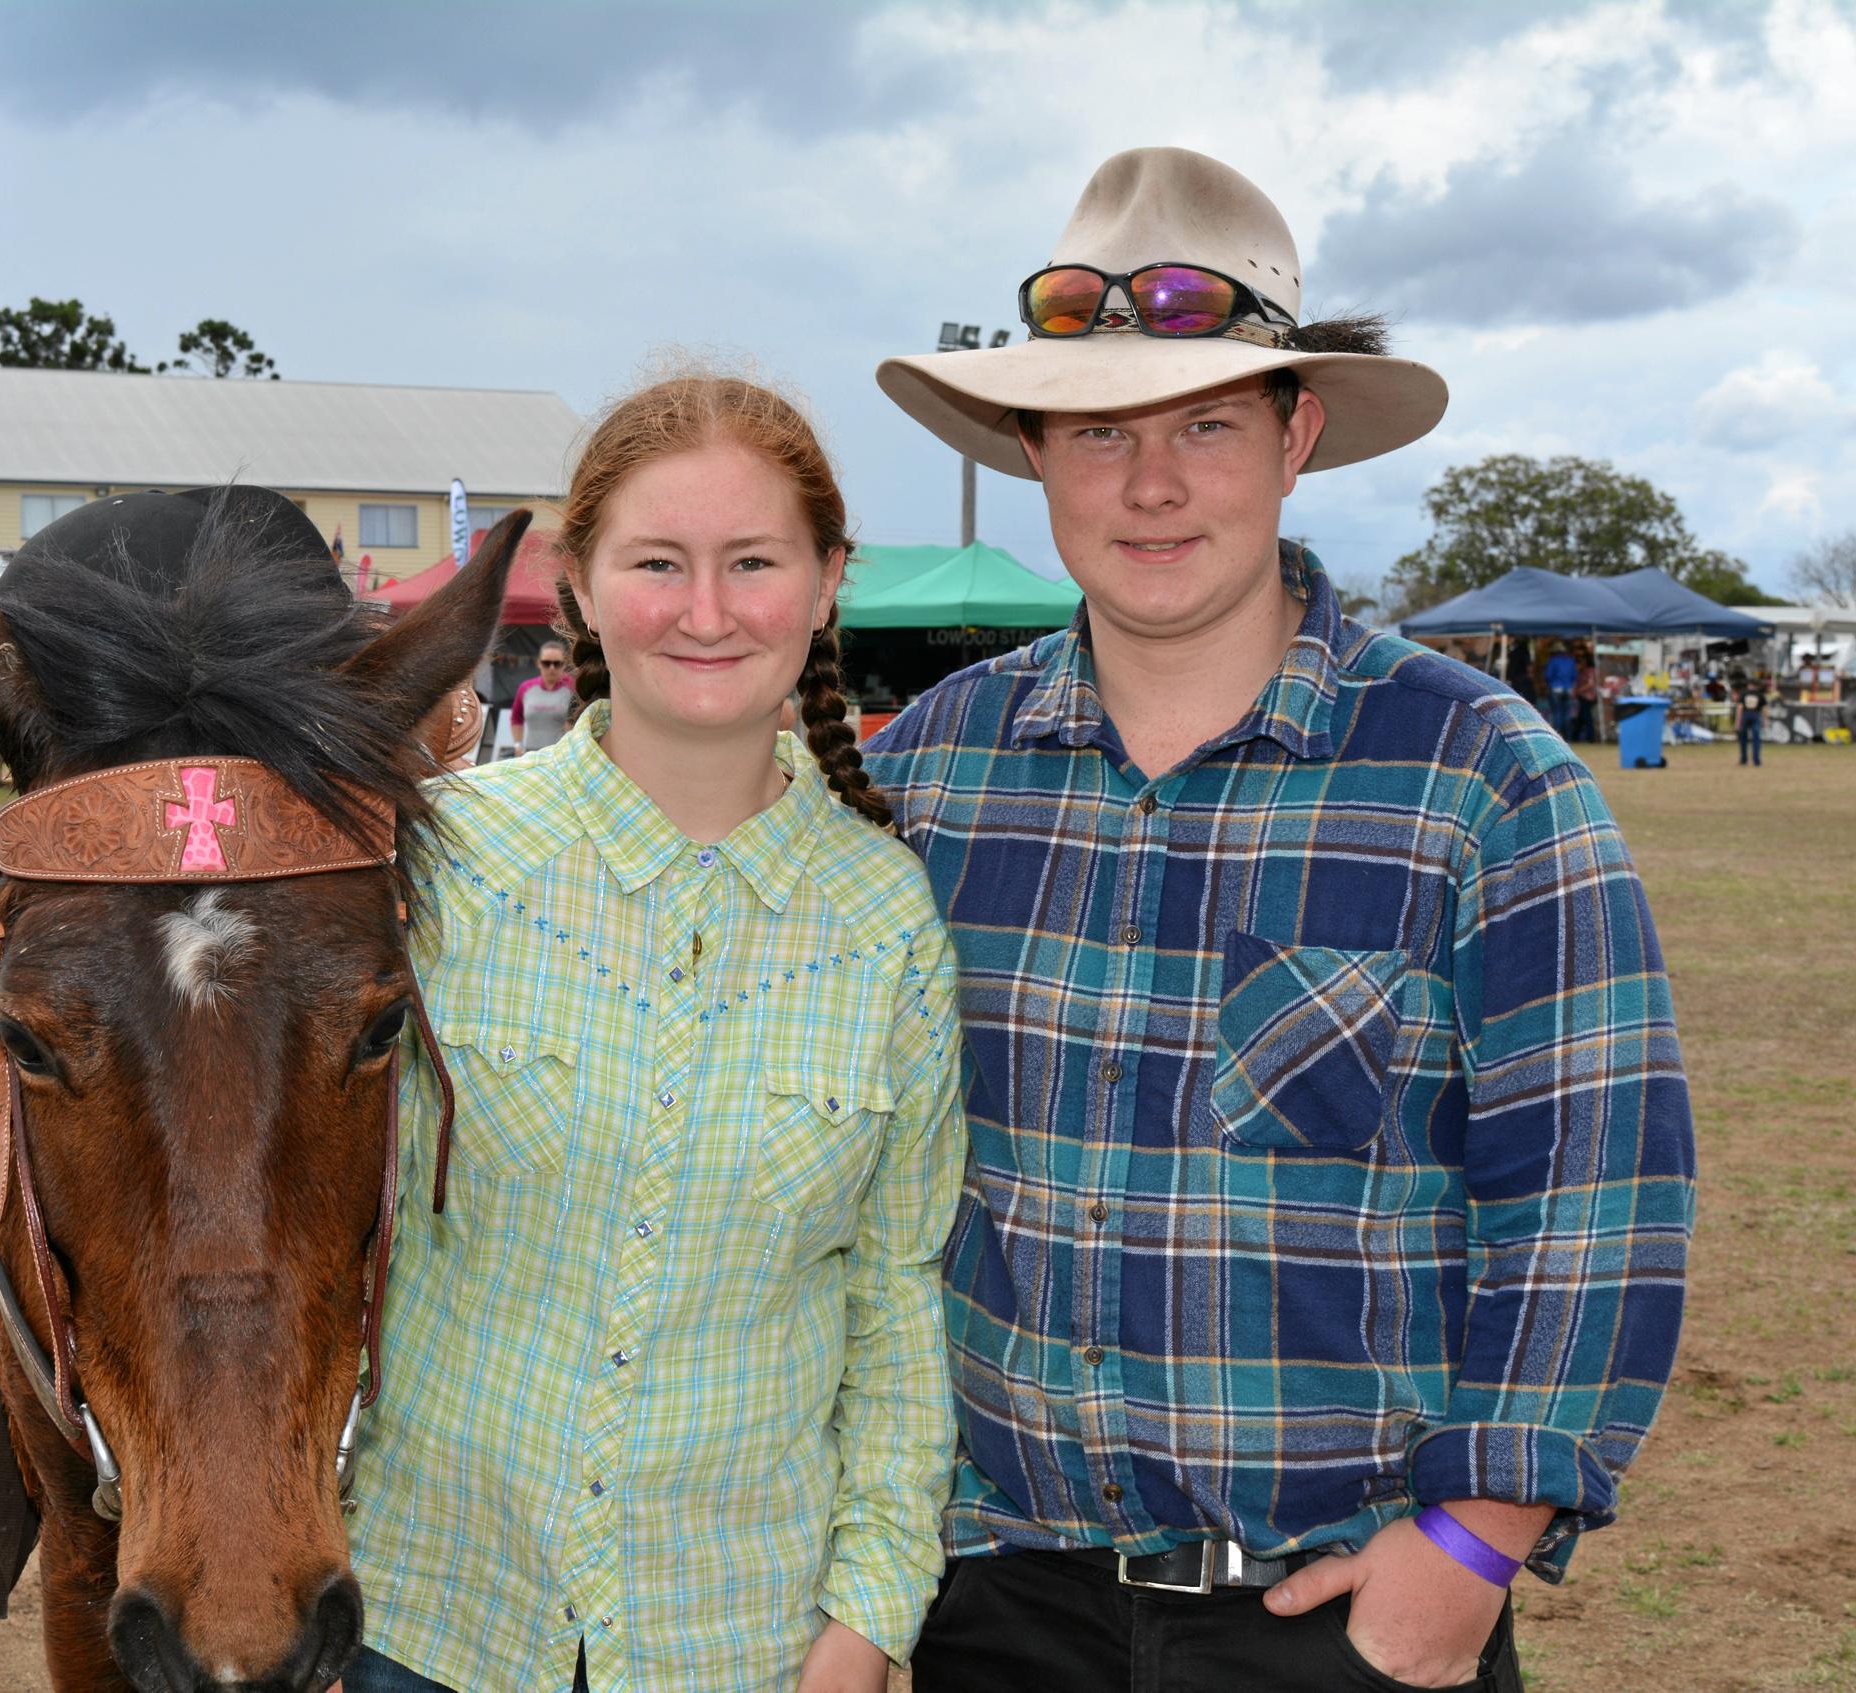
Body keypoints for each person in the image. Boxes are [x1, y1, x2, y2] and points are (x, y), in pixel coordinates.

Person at [865, 147, 1695, 1693]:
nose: (1151, 484)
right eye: (1098, 430)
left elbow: (1595, 1198)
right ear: (1036, 451)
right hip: (993, 1607)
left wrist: (1464, 1556)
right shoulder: (917, 782)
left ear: (1294, 434)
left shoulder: (1477, 777)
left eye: (1204, 425)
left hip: (1337, 1620)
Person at [342, 373, 966, 1693]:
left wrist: (866, 1619)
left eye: (752, 562)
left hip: (747, 1640)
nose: (704, 611)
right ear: (575, 583)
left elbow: (894, 1302)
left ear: (827, 580)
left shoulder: (886, 920)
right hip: (428, 1620)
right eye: (656, 563)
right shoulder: (438, 868)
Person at [510, 637, 578, 753]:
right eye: (546, 663)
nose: (551, 668)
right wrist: (518, 744)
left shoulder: (573, 687)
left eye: (557, 664)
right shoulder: (526, 688)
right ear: (538, 663)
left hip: (561, 754)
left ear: (564, 664)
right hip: (530, 754)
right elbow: (516, 718)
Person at [1542, 641, 1577, 736]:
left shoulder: (1553, 660)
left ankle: (1557, 734)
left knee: (1556, 712)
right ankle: (1567, 735)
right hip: (1568, 688)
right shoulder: (1571, 661)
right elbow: (1574, 676)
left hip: (1556, 687)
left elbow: (1548, 675)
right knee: (1566, 713)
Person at [1737, 671, 1766, 766]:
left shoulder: (1743, 693)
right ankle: (1756, 760)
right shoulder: (1760, 694)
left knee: (1743, 739)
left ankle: (1743, 759)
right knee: (1756, 739)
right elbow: (1765, 709)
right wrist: (1764, 720)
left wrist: (1738, 721)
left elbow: (1740, 708)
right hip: (1756, 715)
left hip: (1746, 715)